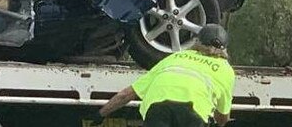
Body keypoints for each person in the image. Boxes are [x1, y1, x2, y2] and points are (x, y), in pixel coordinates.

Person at [92, 24, 235, 127]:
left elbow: (126, 94)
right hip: (192, 116)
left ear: (197, 41)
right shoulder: (225, 70)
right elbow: (222, 116)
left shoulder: (176, 58)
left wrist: (100, 115)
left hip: (158, 111)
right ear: (225, 48)